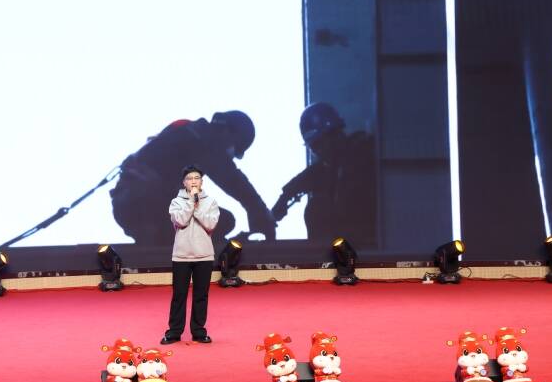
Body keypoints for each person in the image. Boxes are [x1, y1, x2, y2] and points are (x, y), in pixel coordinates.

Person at [111, 110, 276, 246]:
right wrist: (258, 211)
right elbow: (231, 178)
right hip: (146, 204)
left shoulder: (188, 132)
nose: (230, 155)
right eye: (233, 148)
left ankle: (157, 237)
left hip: (128, 207)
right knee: (223, 221)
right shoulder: (203, 138)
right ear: (226, 131)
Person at [271, 102, 377, 247]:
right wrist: (283, 200)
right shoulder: (330, 166)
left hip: (366, 239)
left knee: (317, 207)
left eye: (318, 144)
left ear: (333, 135)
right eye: (313, 147)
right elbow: (308, 177)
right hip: (347, 243)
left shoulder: (361, 153)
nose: (317, 151)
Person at [161, 165, 219, 345]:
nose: (193, 181)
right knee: (179, 295)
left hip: (204, 255)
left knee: (201, 295)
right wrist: (190, 203)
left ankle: (199, 332)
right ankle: (174, 332)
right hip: (181, 256)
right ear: (184, 183)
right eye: (189, 178)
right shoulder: (176, 202)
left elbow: (210, 224)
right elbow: (181, 220)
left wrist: (198, 207)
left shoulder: (211, 202)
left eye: (196, 178)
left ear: (202, 182)